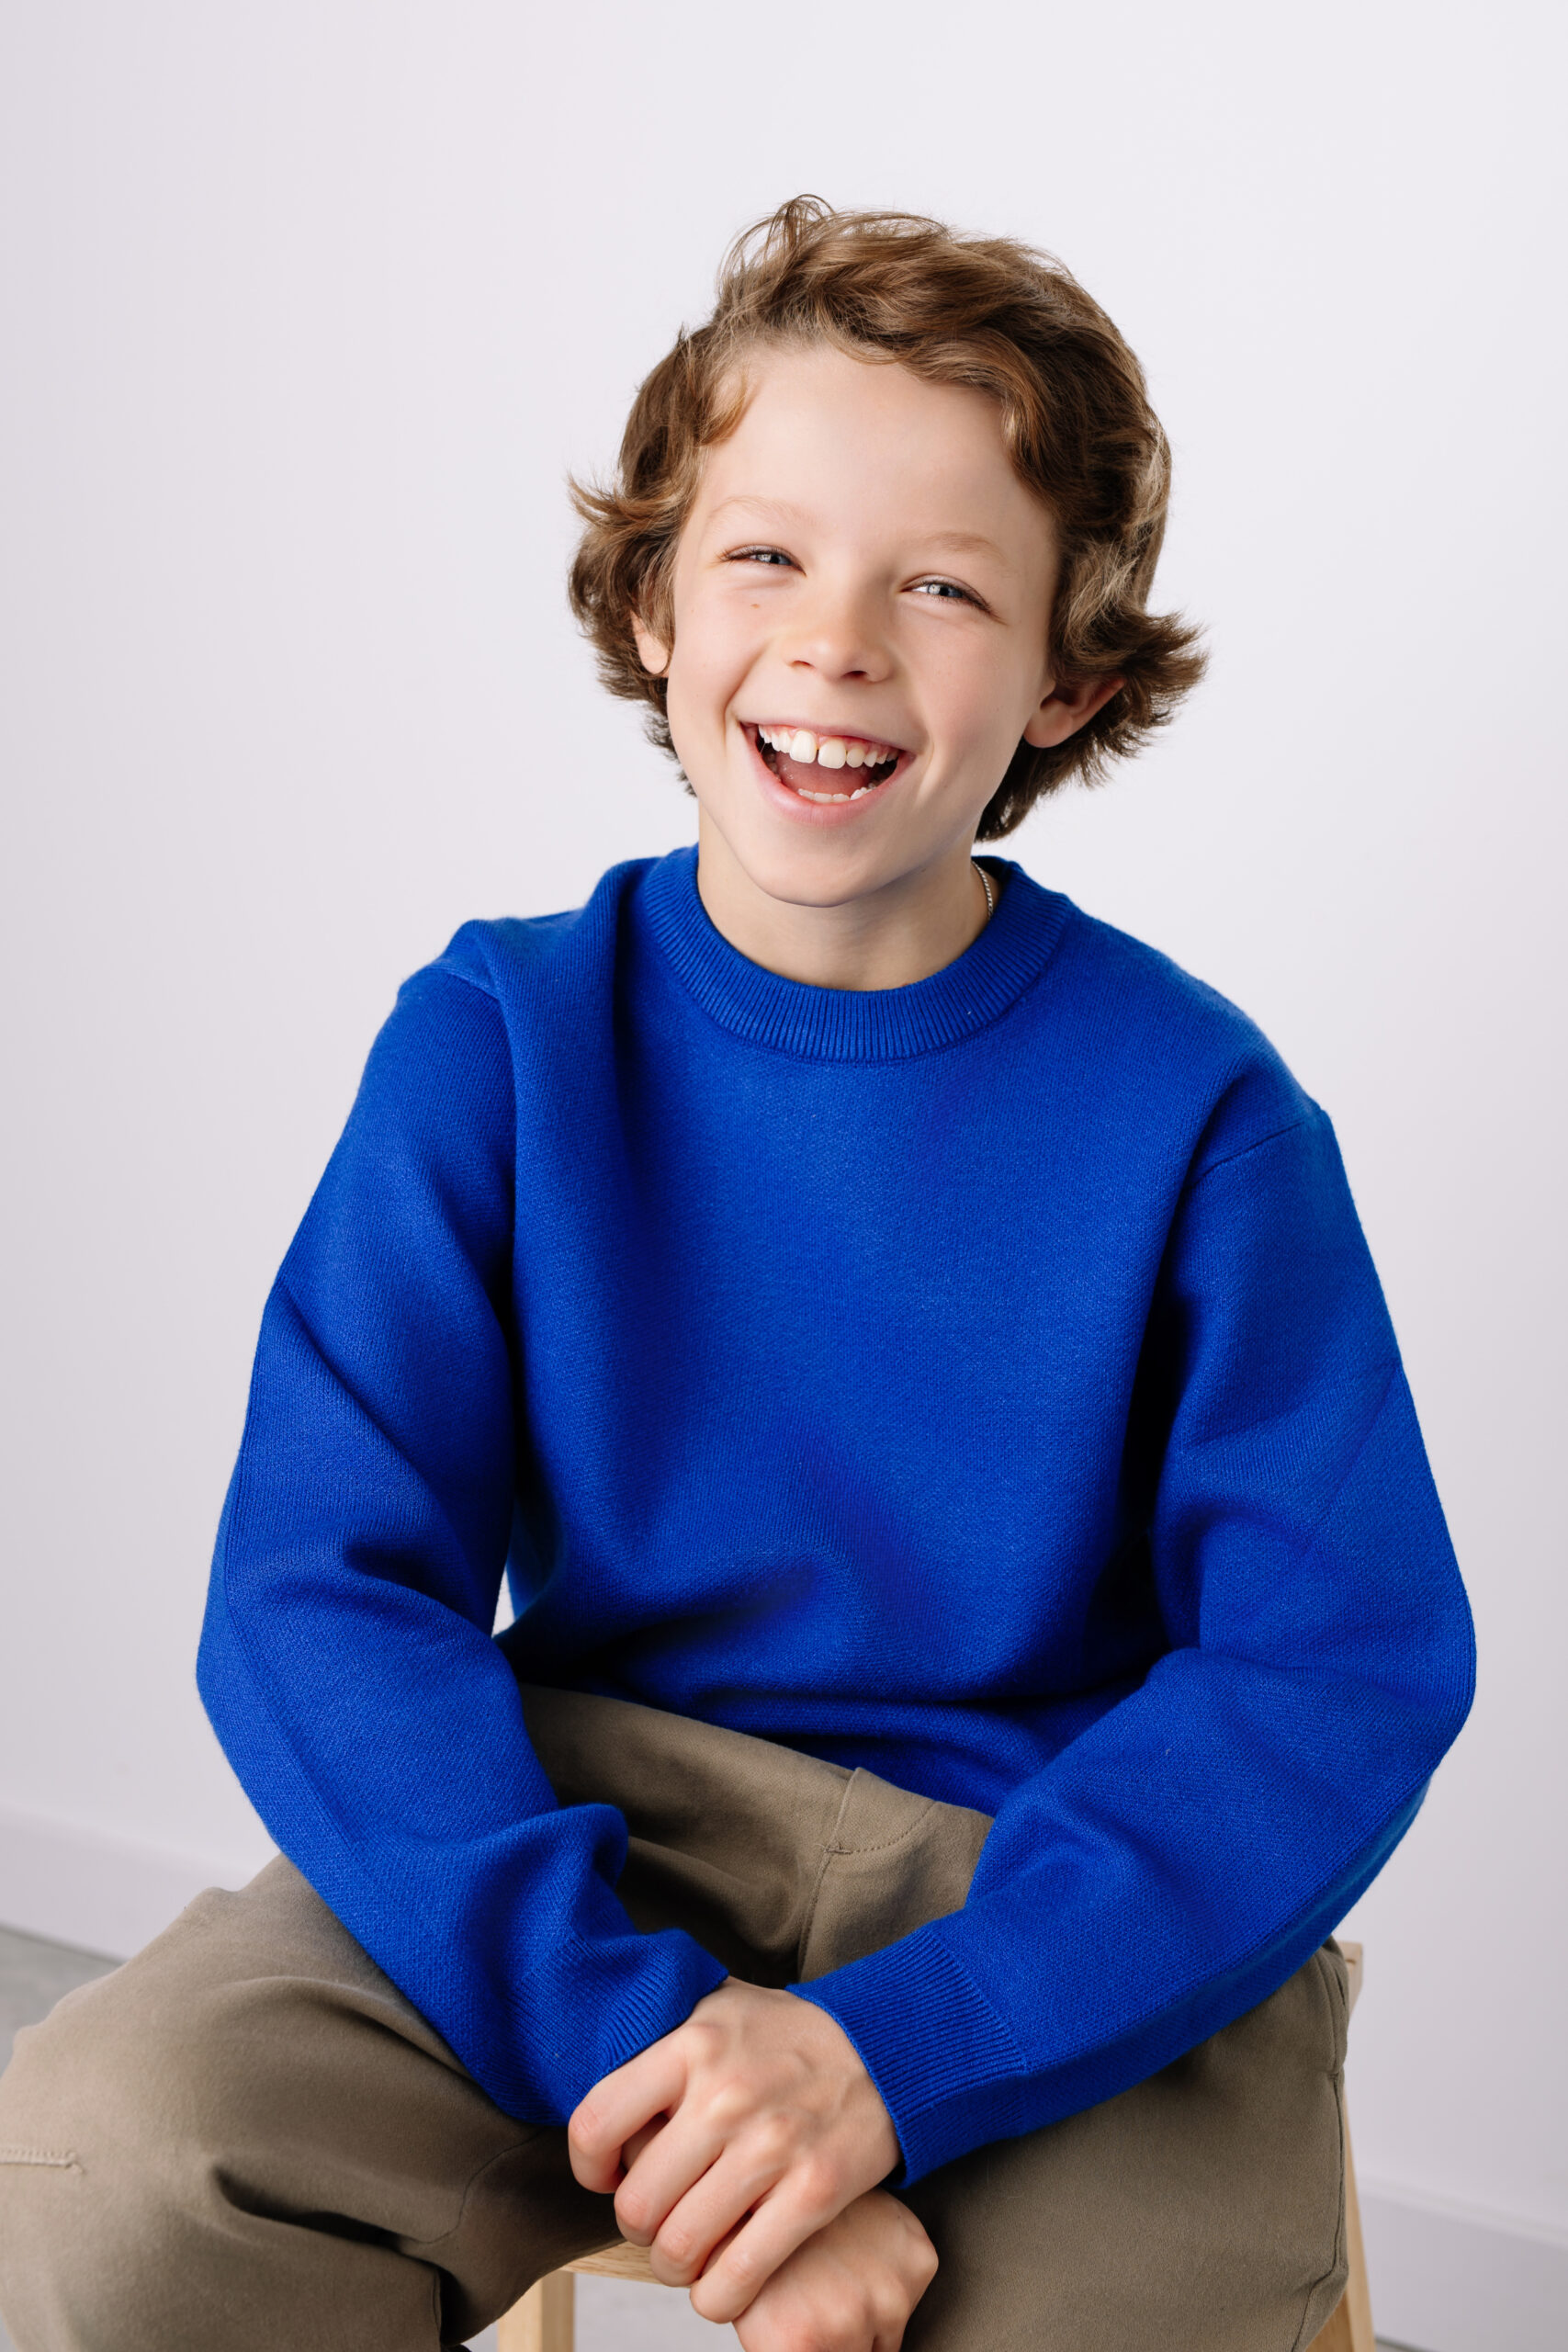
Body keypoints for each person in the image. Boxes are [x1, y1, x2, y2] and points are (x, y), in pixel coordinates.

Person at [0, 198, 1474, 2352]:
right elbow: (319, 1590)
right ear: (652, 599)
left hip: (1037, 1876)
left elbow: (1331, 1668)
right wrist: (648, 2049)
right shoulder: (499, 1039)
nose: (836, 640)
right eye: (766, 554)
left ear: (1066, 673)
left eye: (942, 585)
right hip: (596, 1838)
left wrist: (887, 2061)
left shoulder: (1203, 1115)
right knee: (112, 2158)